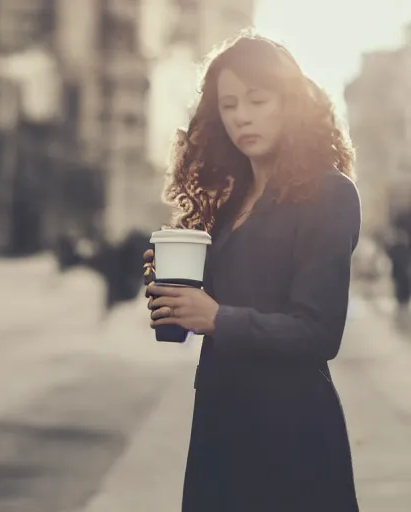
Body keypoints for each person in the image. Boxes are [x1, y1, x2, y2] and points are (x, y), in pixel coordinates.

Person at [143, 33, 361, 511]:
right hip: (220, 425)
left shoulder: (329, 194)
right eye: (229, 104)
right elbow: (193, 322)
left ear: (291, 104)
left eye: (258, 100)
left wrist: (216, 317)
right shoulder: (227, 204)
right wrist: (172, 295)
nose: (242, 115)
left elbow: (320, 332)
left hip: (291, 433)